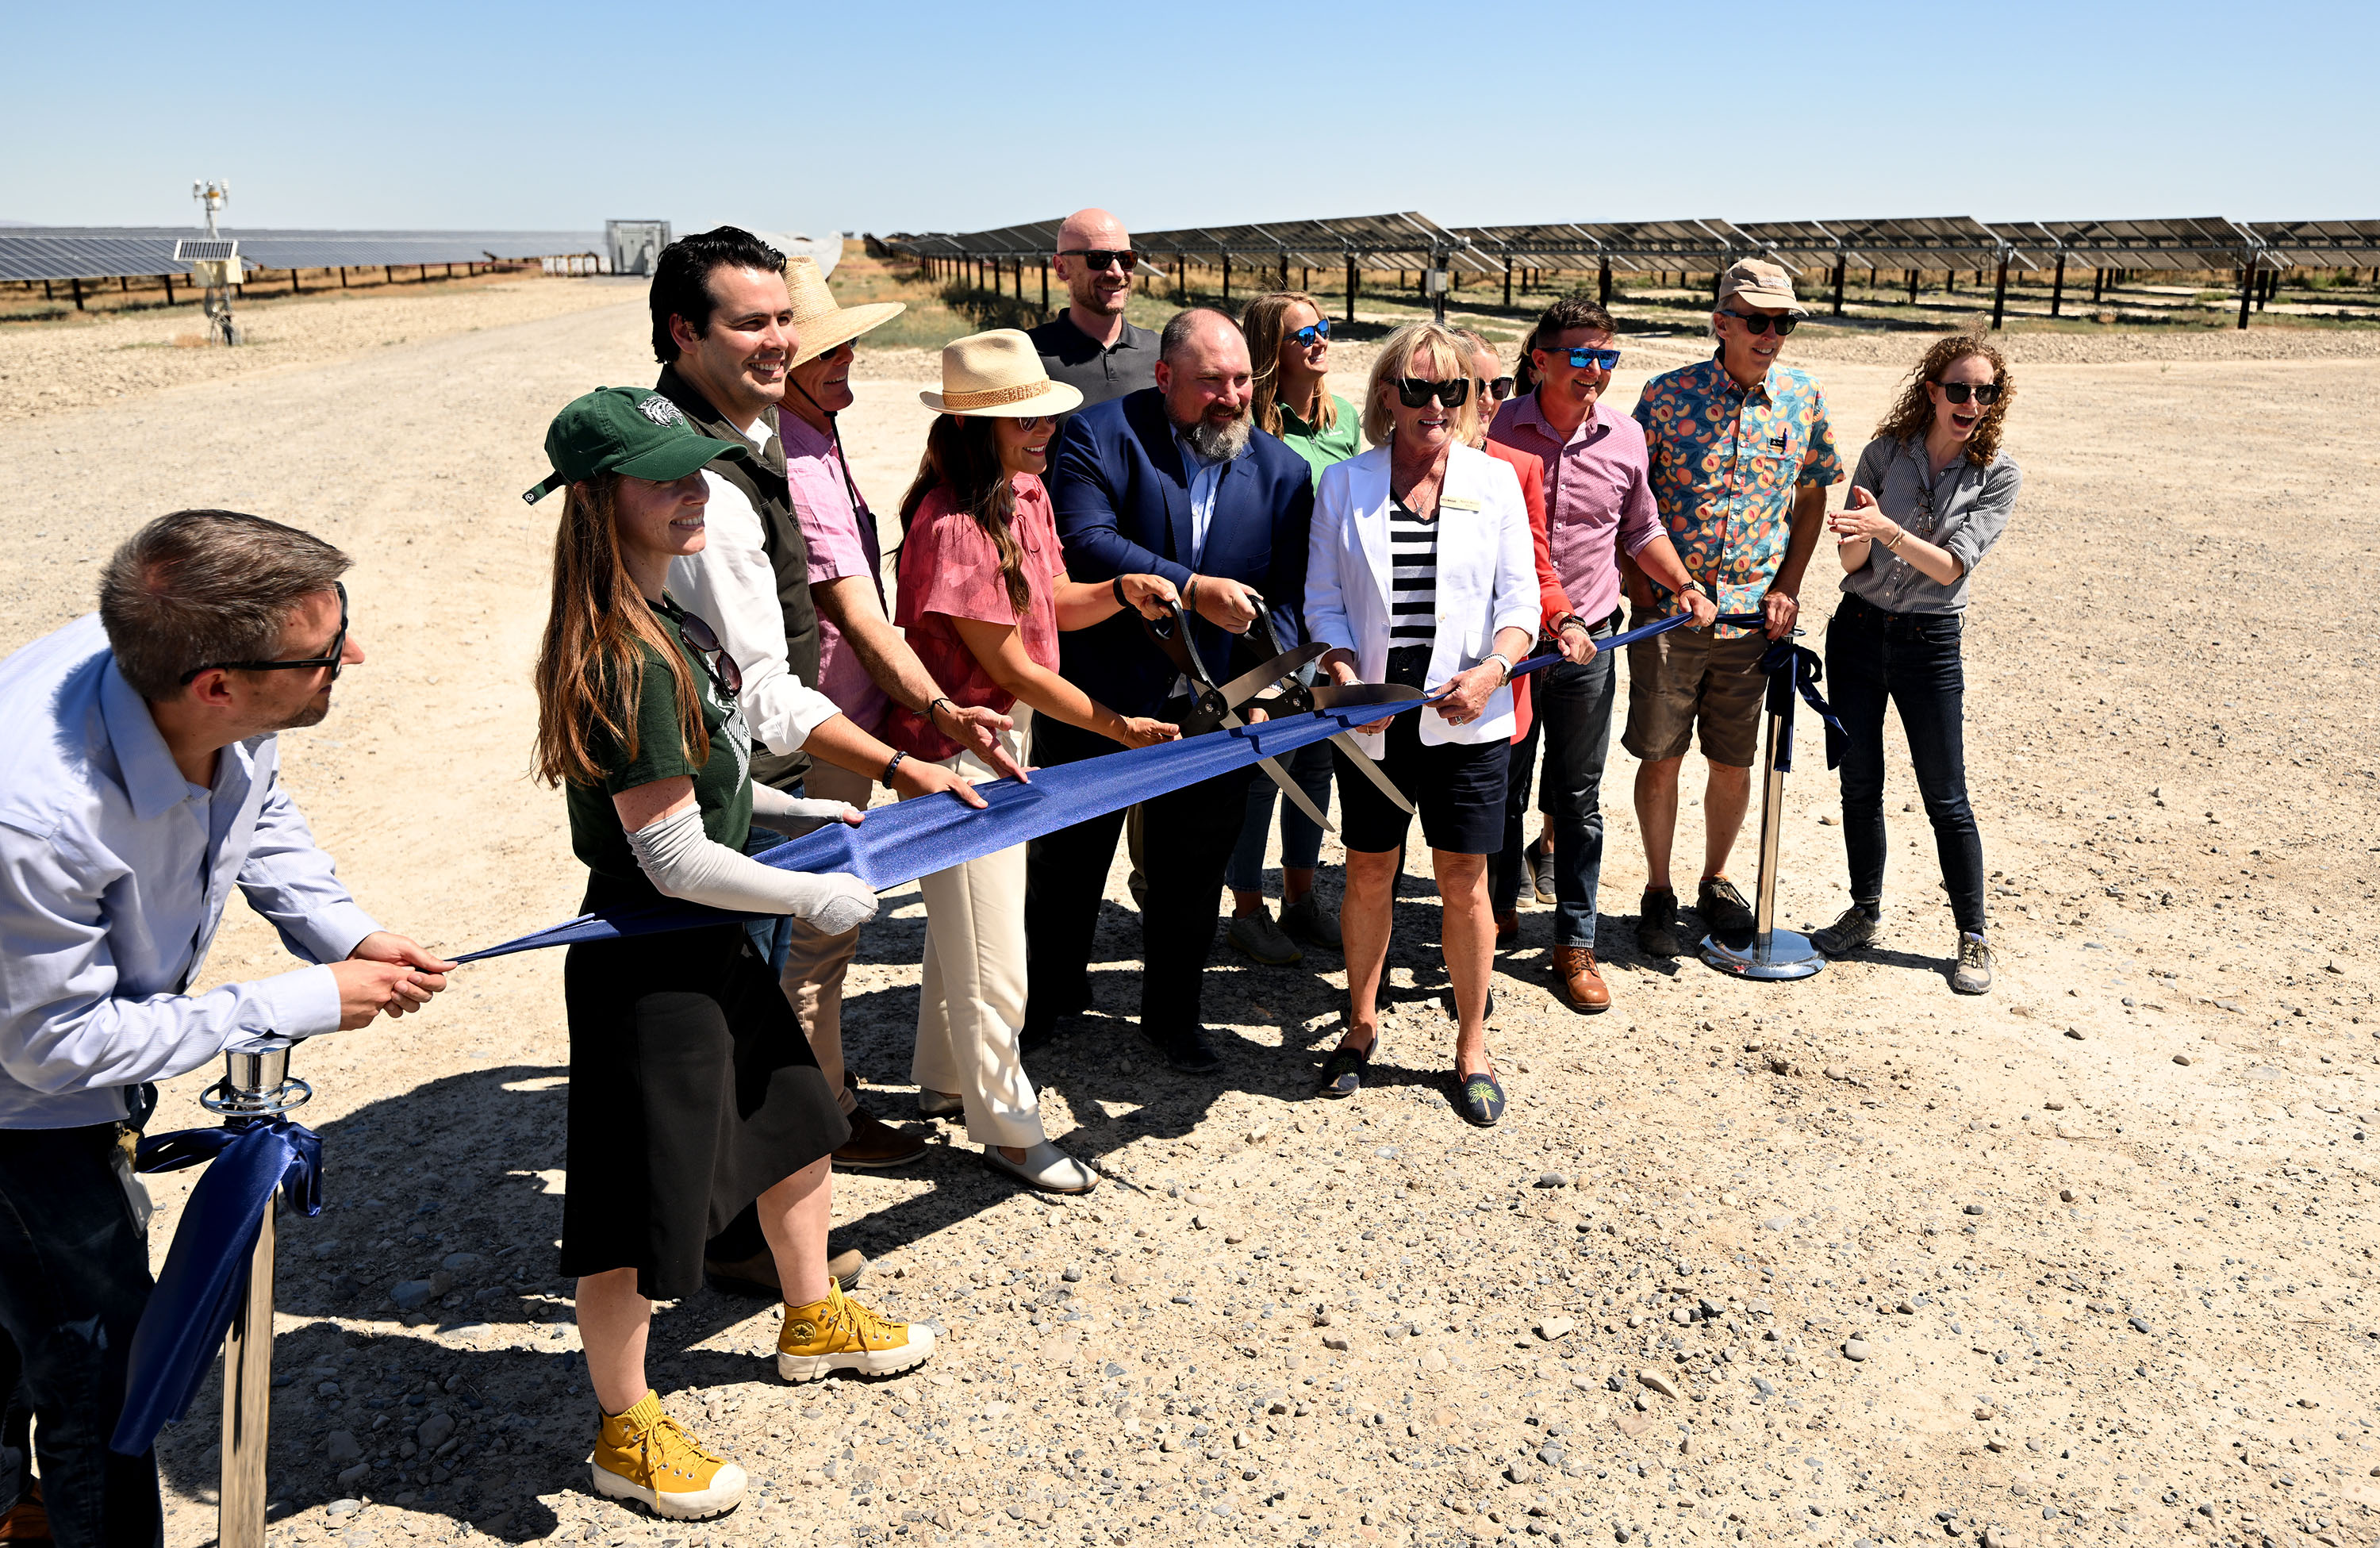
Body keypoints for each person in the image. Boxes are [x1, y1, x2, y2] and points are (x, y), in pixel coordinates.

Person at [0, 509, 453, 1548]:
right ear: (215, 684)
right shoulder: (34, 812)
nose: (354, 657)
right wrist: (298, 1001)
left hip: (50, 1066)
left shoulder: (179, 664)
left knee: (22, 1317)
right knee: (101, 1368)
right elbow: (52, 1047)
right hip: (20, 1112)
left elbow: (255, 804)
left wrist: (346, 932)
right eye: (326, 653)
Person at [526, 388, 935, 1522]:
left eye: (697, 468)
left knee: (795, 1118)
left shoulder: (674, 621)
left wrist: (804, 815)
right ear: (599, 499)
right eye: (665, 476)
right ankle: (624, 1428)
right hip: (649, 957)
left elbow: (715, 787)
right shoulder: (626, 655)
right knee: (635, 1211)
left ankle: (812, 1317)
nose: (694, 489)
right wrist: (813, 890)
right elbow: (667, 855)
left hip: (704, 935)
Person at [637, 229, 1002, 1295]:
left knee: (736, 1004)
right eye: (752, 324)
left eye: (785, 323)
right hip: (729, 784)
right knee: (744, 1006)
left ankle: (726, 1230)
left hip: (739, 769)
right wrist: (901, 758)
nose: (782, 344)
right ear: (684, 332)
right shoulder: (710, 478)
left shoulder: (729, 440)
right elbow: (760, 687)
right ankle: (729, 1239)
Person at [886, 332, 1184, 1192]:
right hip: (957, 754)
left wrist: (1120, 591)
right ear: (975, 427)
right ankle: (1010, 1130)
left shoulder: (1024, 494)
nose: (1044, 429)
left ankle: (948, 1079)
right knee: (994, 954)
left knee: (964, 930)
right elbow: (1014, 666)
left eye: (1044, 414)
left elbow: (1052, 599)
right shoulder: (953, 525)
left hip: (994, 740)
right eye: (1024, 419)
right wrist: (1117, 726)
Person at [761, 255, 1030, 1182]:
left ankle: (820, 1105)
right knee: (818, 933)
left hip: (838, 714)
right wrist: (940, 706)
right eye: (829, 352)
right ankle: (820, 1122)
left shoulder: (813, 433)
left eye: (848, 347)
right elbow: (858, 613)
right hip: (829, 723)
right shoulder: (800, 456)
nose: (848, 363)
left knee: (820, 925)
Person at [1030, 308, 1316, 1073]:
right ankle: (1049, 1000)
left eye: (1242, 380)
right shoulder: (1098, 434)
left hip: (1215, 711)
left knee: (1191, 875)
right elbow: (1086, 541)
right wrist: (1192, 590)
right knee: (1066, 862)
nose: (1232, 397)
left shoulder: (1284, 473)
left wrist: (1271, 685)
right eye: (1211, 382)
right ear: (1163, 377)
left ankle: (1173, 1018)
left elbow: (1290, 597)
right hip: (1098, 698)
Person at [1305, 322, 1537, 1126]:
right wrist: (1344, 674)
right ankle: (1360, 1022)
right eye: (1417, 388)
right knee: (1370, 869)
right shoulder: (1345, 484)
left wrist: (1494, 670)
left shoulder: (1494, 481)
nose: (1435, 404)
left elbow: (1521, 604)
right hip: (1374, 711)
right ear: (1387, 396)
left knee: (1464, 877)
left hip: (1467, 710)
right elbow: (1323, 601)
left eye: (1452, 389)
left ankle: (1472, 1045)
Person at [1484, 303, 1716, 1011]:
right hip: (1508, 643)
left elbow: (1642, 529)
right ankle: (1494, 913)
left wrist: (1683, 583)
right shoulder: (1493, 428)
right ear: (1540, 360)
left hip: (1590, 642)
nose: (1595, 370)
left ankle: (1574, 943)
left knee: (1579, 797)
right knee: (1502, 785)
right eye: (1581, 356)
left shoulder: (1626, 436)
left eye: (1606, 358)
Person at [1626, 259, 1841, 956]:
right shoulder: (1665, 396)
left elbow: (1812, 493)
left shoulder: (1803, 399)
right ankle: (1658, 889)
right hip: (1671, 616)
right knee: (1661, 755)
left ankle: (1715, 880)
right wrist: (1642, 588)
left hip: (1754, 623)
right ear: (1722, 322)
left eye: (1784, 323)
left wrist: (1789, 585)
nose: (1771, 334)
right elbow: (1631, 496)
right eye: (1758, 321)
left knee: (1733, 760)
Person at [1812, 336, 2020, 995]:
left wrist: (1885, 531)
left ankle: (1973, 934)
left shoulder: (1997, 476)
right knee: (1859, 782)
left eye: (1985, 392)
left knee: (1945, 795)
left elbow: (1952, 566)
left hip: (1929, 645)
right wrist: (1855, 536)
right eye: (1959, 389)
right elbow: (1854, 562)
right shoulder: (1884, 454)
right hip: (1857, 633)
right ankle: (1864, 911)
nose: (1972, 402)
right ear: (1932, 391)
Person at [1221, 291, 1361, 965]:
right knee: (1262, 764)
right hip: (1271, 614)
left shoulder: (1345, 419)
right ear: (1269, 350)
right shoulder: (1248, 427)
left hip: (1328, 608)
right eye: (1305, 333)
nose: (1320, 340)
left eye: (1323, 328)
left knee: (1317, 758)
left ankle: (1300, 899)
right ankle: (1247, 908)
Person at [1027, 208, 1160, 439]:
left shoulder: (1161, 352)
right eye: (1098, 259)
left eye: (1126, 259)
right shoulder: (1027, 357)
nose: (1117, 272)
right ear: (1061, 267)